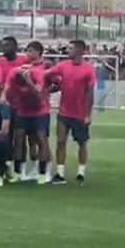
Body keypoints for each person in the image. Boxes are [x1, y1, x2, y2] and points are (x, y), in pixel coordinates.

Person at [47, 40, 96, 185]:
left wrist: (88, 114)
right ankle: (60, 174)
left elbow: (90, 93)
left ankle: (81, 172)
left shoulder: (88, 69)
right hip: (64, 112)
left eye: (71, 48)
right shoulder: (63, 66)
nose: (68, 50)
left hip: (80, 113)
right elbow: (47, 74)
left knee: (81, 142)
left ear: (80, 50)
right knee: (61, 141)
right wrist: (52, 84)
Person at [7, 41, 53, 185]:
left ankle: (43, 172)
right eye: (27, 51)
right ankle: (19, 172)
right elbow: (8, 89)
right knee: (19, 139)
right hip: (22, 110)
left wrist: (29, 82)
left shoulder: (39, 71)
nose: (28, 54)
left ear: (39, 52)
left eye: (31, 51)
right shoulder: (16, 71)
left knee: (41, 139)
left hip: (40, 110)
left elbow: (39, 93)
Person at [0, 36, 28, 178]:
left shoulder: (23, 61)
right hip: (5, 105)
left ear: (15, 47)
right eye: (3, 46)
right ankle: (7, 167)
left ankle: (20, 168)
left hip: (22, 105)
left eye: (7, 46)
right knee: (5, 137)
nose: (4, 49)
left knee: (21, 137)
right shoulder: (0, 62)